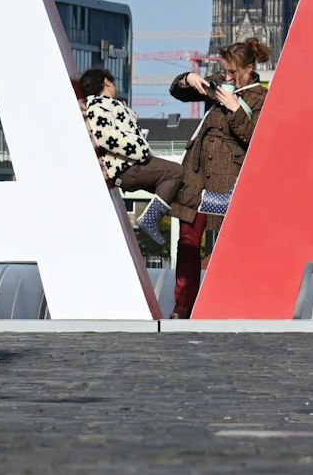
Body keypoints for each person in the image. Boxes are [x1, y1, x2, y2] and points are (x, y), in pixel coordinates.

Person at [162, 37, 270, 317]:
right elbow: (179, 92)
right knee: (187, 241)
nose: (228, 76)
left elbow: (255, 136)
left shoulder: (262, 97)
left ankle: (231, 302)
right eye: (225, 71)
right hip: (195, 173)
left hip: (229, 177)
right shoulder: (220, 81)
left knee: (231, 242)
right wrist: (188, 79)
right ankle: (182, 306)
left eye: (233, 72)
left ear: (249, 68)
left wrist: (235, 108)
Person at [75, 68, 186, 249]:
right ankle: (150, 219)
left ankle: (219, 203)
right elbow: (104, 136)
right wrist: (139, 150)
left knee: (180, 191)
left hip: (130, 167)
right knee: (175, 171)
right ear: (107, 82)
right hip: (128, 167)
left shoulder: (109, 105)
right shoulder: (98, 105)